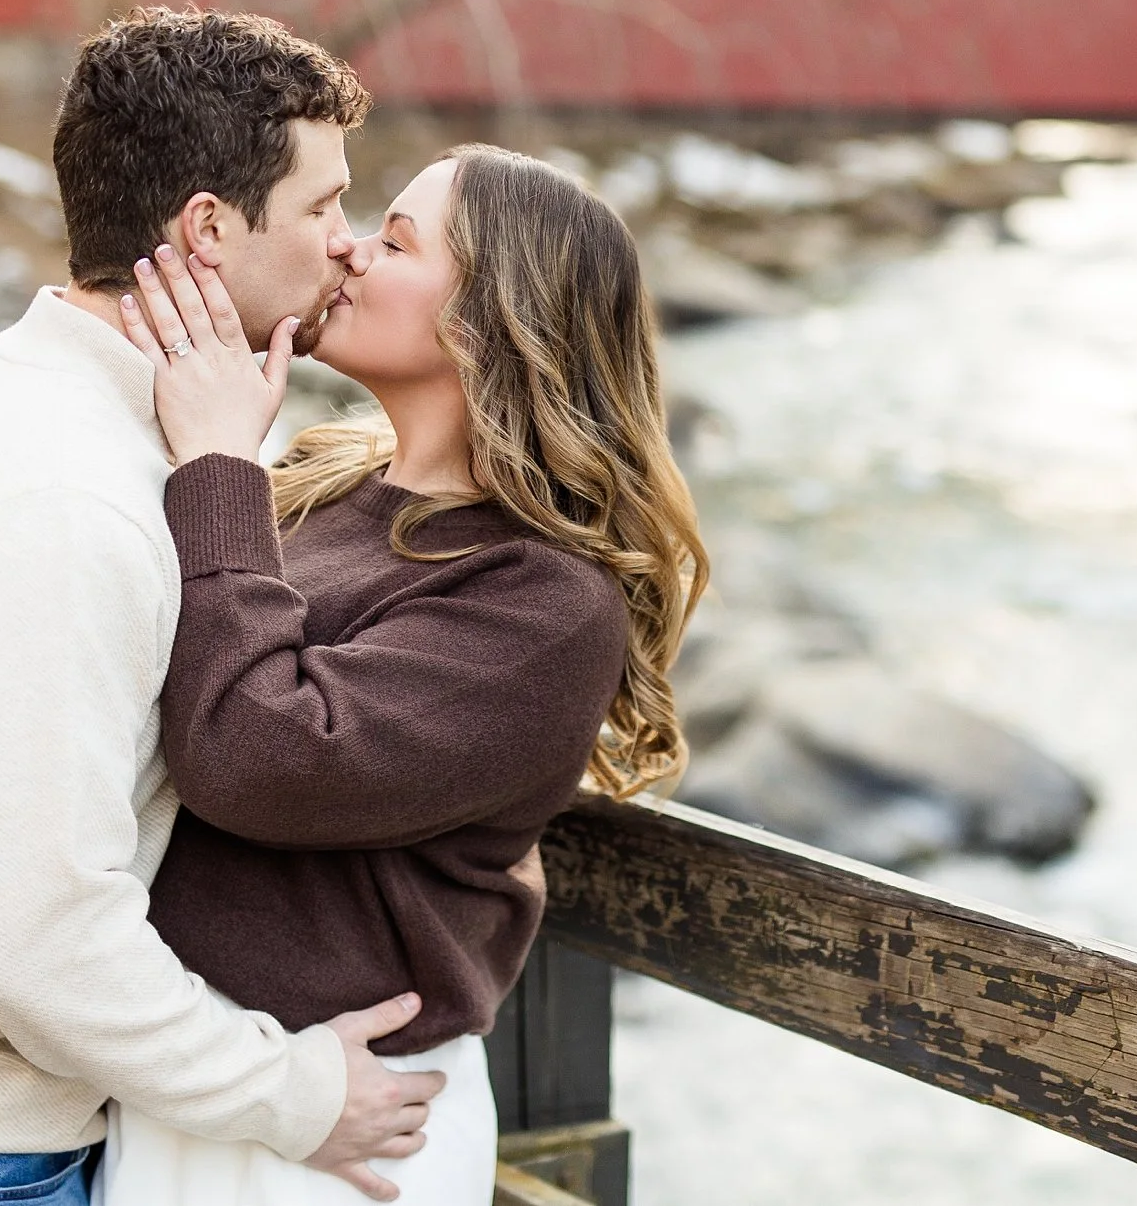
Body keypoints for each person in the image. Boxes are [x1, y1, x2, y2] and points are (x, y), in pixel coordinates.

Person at [0, 9, 443, 1206]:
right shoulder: (62, 497)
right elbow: (37, 938)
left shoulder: (53, 409)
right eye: (321, 208)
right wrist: (298, 1096)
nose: (345, 247)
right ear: (209, 227)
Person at [93, 141, 704, 1204]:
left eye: (395, 239)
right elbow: (136, 635)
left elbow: (254, 753)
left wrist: (219, 467)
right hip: (196, 1078)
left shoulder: (546, 600)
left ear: (487, 318)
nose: (348, 248)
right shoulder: (319, 481)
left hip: (347, 1130)